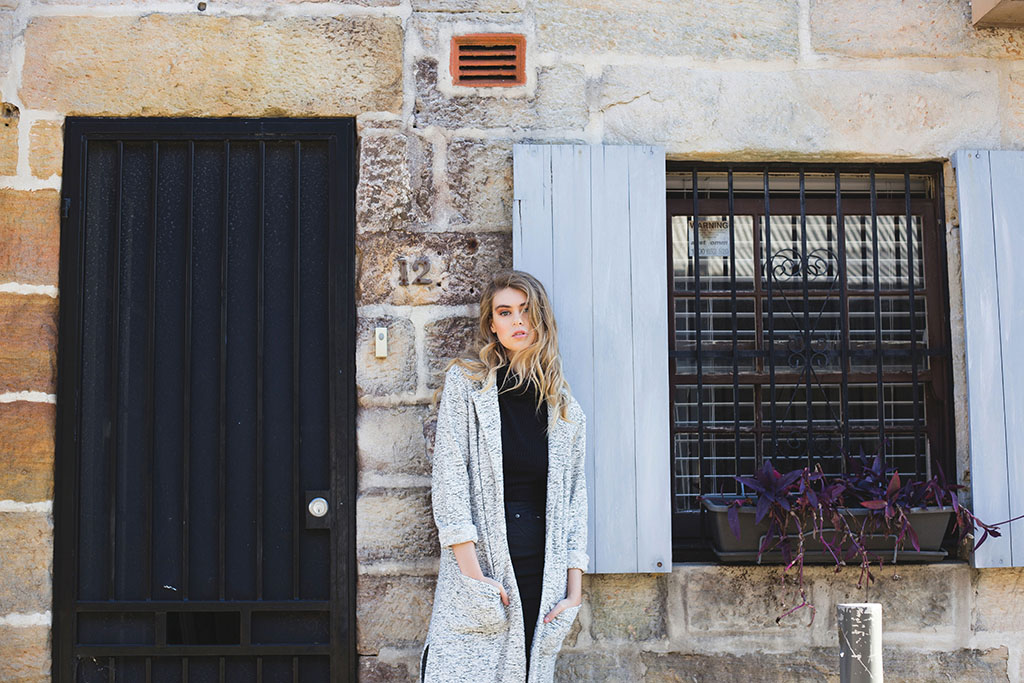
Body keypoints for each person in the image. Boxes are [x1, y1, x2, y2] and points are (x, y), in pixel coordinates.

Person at [420, 270, 589, 683]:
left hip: (542, 572)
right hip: (483, 567)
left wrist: (574, 591)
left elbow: (575, 500)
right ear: (492, 324)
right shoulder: (467, 385)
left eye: (526, 311)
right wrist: (472, 575)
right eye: (505, 312)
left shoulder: (564, 407)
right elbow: (449, 477)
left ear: (541, 319)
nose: (518, 321)